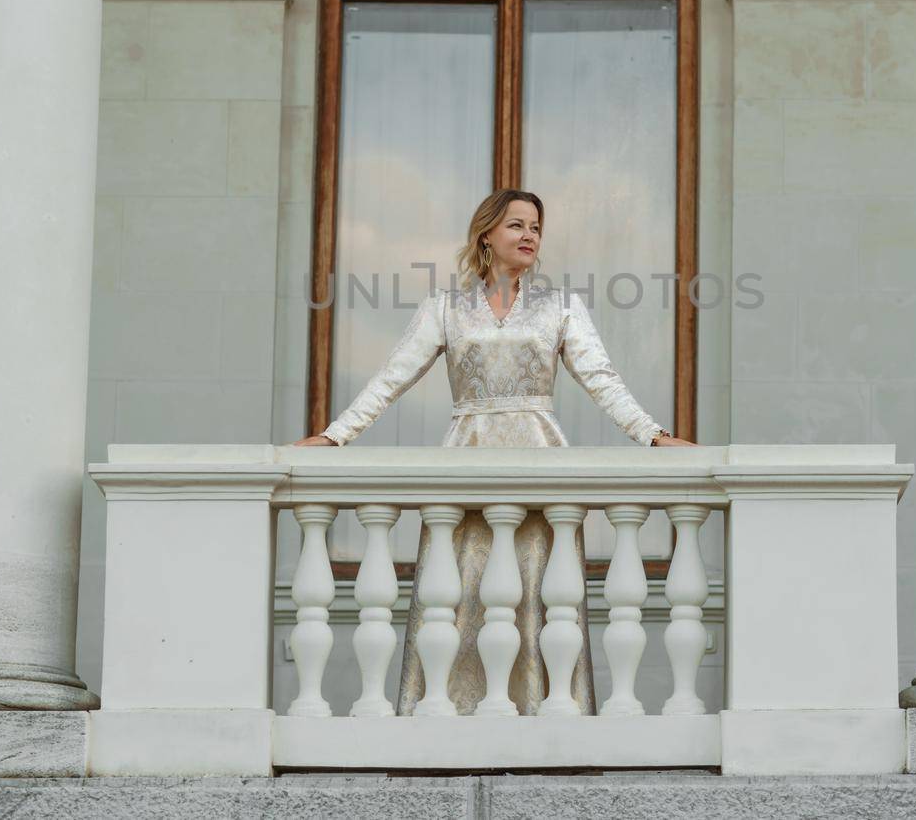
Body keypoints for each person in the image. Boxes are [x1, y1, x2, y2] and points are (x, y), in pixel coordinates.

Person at [293, 187, 695, 715]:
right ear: (486, 234)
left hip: (539, 461)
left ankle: (544, 718)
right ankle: (446, 719)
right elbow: (390, 379)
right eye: (517, 226)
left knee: (539, 591)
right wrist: (335, 435)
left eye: (535, 228)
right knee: (459, 594)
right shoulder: (446, 309)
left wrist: (653, 435)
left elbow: (604, 381)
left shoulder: (561, 307)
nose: (529, 236)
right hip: (468, 458)